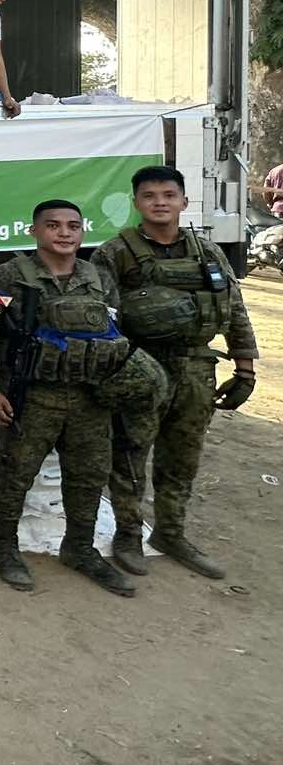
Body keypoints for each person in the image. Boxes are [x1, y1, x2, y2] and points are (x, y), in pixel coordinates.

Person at [92, 165, 259, 580]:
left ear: (184, 201)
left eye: (168, 195)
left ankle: (170, 532)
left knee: (182, 456)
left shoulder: (209, 253)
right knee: (130, 455)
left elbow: (234, 310)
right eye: (149, 196)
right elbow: (100, 318)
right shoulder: (116, 253)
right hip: (140, 369)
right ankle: (128, 535)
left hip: (195, 367)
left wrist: (245, 368)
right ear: (136, 203)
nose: (160, 203)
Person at [0, 200, 135, 596]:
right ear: (35, 231)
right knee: (15, 475)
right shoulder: (10, 276)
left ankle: (80, 548)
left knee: (87, 476)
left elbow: (118, 333)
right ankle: (6, 549)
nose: (64, 233)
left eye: (72, 226)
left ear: (82, 231)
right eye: (53, 225)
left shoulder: (98, 278)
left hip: (89, 399)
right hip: (32, 396)